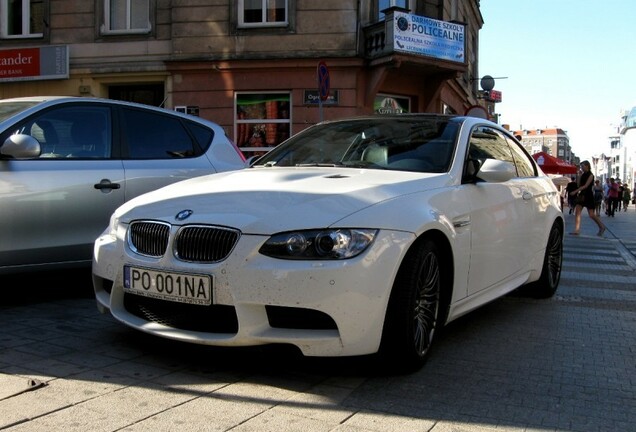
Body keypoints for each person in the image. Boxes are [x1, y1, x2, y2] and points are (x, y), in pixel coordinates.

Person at [569, 160, 606, 236]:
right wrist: (578, 175)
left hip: (588, 195)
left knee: (591, 214)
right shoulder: (582, 174)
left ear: (587, 166)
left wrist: (575, 191)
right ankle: (577, 230)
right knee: (577, 212)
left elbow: (586, 186)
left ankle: (602, 226)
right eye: (581, 167)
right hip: (582, 195)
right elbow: (579, 184)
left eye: (582, 166)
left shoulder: (591, 175)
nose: (581, 168)